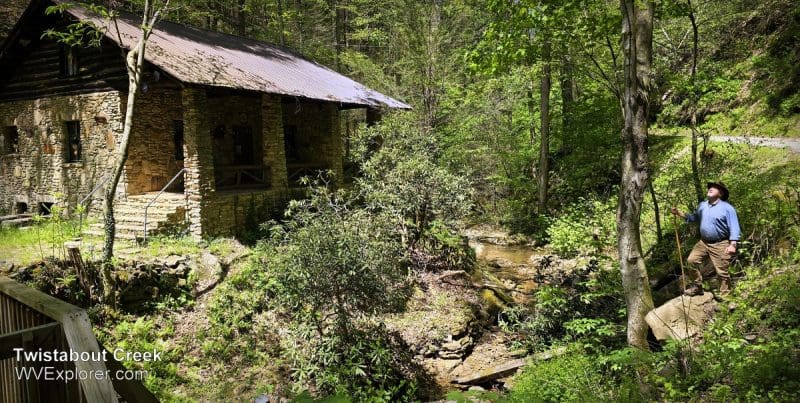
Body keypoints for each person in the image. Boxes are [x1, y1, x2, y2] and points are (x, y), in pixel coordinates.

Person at [670, 182, 741, 297]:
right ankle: (698, 287)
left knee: (722, 272)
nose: (710, 189)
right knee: (691, 262)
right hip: (704, 242)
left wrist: (733, 244)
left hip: (721, 243)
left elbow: (734, 226)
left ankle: (726, 297)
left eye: (715, 188)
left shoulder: (727, 208)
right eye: (710, 187)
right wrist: (679, 213)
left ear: (721, 193)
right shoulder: (702, 205)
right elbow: (694, 218)